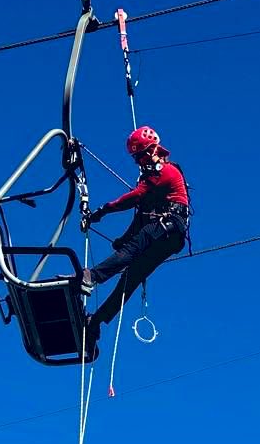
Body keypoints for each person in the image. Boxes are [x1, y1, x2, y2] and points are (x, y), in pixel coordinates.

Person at [81, 125, 191, 349]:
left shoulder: (164, 172)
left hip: (168, 226)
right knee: (130, 278)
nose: (137, 162)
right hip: (170, 234)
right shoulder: (155, 183)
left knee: (130, 252)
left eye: (139, 156)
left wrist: (102, 211)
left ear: (151, 151)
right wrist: (123, 237)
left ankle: (91, 277)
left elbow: (134, 198)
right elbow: (140, 218)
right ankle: (97, 321)